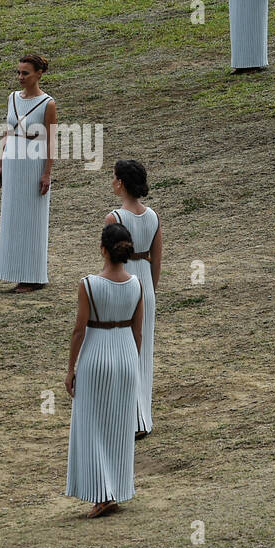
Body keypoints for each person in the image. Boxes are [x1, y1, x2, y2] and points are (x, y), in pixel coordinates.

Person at [65, 223, 144, 518]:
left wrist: (70, 368)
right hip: (126, 357)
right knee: (119, 427)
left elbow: (79, 330)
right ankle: (116, 488)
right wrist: (131, 364)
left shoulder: (88, 284)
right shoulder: (136, 285)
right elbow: (138, 332)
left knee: (91, 426)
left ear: (103, 250)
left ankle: (102, 494)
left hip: (95, 358)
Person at [104, 160, 162, 439]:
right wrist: (149, 291)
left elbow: (111, 263)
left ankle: (130, 418)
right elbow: (157, 261)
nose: (112, 182)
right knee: (143, 350)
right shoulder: (152, 216)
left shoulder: (114, 218)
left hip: (125, 287)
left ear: (122, 183)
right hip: (146, 288)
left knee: (123, 352)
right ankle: (142, 417)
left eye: (114, 178)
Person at [0, 55, 55, 292]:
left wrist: (47, 173)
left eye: (26, 73)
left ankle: (34, 275)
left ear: (39, 73)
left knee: (32, 219)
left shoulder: (48, 103)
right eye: (18, 73)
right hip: (13, 161)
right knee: (13, 217)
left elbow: (51, 142)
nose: (20, 77)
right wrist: (0, 164)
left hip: (33, 163)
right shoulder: (12, 98)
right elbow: (8, 131)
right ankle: (17, 272)